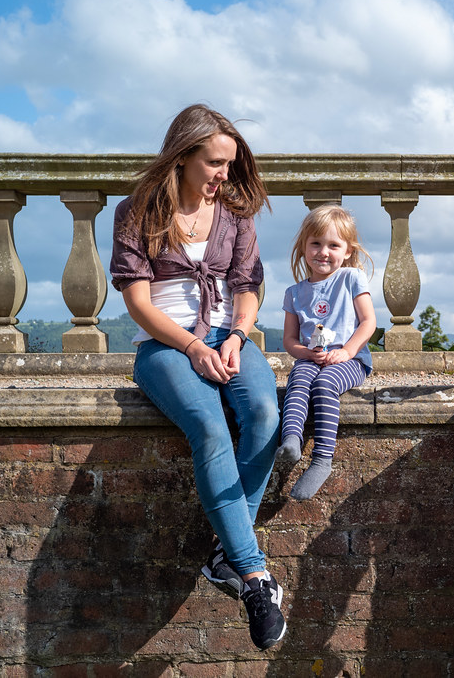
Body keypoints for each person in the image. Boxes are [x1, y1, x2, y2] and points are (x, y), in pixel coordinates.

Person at [109, 104, 285, 650]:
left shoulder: (234, 215)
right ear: (182, 156)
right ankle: (254, 578)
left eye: (229, 165)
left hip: (226, 337)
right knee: (209, 429)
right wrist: (190, 345)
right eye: (213, 163)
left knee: (262, 412)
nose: (223, 176)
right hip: (164, 345)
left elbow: (247, 288)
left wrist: (234, 337)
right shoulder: (136, 211)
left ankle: (224, 554)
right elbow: (138, 302)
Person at [274, 203, 376, 500]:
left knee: (323, 384)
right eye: (316, 243)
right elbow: (291, 340)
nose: (323, 251)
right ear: (304, 247)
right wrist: (306, 354)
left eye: (333, 245)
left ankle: (322, 460)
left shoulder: (351, 278)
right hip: (313, 357)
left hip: (351, 359)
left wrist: (347, 350)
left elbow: (369, 322)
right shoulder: (294, 293)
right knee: (299, 380)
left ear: (347, 251)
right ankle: (291, 441)